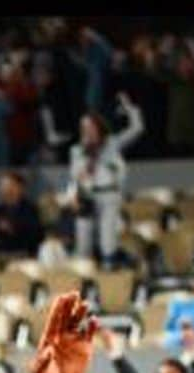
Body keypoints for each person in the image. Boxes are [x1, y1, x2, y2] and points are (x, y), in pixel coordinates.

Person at [62, 92, 144, 265]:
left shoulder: (112, 144)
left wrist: (130, 109)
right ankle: (84, 273)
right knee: (83, 242)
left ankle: (111, 267)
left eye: (90, 126)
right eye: (84, 128)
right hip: (87, 197)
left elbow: (137, 129)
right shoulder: (77, 150)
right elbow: (73, 177)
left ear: (98, 127)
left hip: (109, 196)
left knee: (108, 240)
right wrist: (72, 196)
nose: (87, 131)